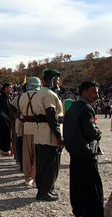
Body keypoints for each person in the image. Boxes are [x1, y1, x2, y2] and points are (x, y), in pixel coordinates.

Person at [64, 81, 104, 216]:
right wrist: (98, 133)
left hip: (75, 154)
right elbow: (91, 132)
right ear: (85, 91)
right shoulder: (86, 108)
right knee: (91, 189)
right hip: (87, 156)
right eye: (94, 92)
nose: (97, 95)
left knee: (77, 187)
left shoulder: (73, 107)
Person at [32, 69, 64, 201]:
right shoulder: (49, 94)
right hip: (48, 133)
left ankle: (46, 189)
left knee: (43, 162)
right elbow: (51, 116)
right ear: (50, 80)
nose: (58, 82)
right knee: (49, 163)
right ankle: (44, 191)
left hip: (41, 131)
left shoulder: (39, 93)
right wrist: (59, 136)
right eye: (56, 79)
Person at [19, 77, 41, 187]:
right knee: (37, 154)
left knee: (27, 154)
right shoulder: (40, 96)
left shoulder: (22, 96)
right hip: (38, 127)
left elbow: (20, 111)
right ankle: (36, 177)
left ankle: (27, 178)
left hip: (26, 127)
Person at [0, 83, 13, 156]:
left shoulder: (5, 96)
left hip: (3, 116)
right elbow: (6, 107)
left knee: (4, 133)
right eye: (10, 87)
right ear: (6, 88)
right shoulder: (4, 96)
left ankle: (4, 149)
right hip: (4, 117)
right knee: (5, 133)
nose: (11, 89)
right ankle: (5, 149)